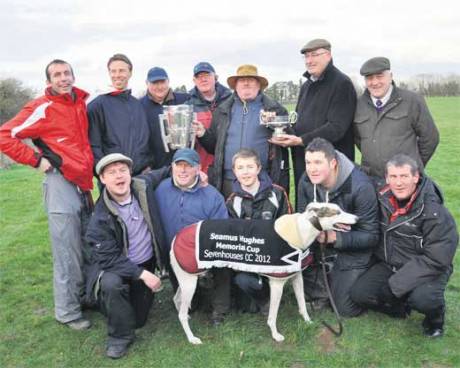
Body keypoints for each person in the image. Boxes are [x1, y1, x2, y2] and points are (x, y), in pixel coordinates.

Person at [0, 59, 94, 330]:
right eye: (57, 75)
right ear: (49, 81)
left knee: (86, 244)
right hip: (59, 183)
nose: (63, 78)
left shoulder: (79, 104)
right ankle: (67, 312)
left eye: (66, 73)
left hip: (82, 184)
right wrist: (36, 160)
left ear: (73, 76)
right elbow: (6, 135)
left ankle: (84, 298)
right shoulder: (42, 106)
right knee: (67, 250)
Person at [351, 154, 458, 337]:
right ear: (386, 178)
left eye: (404, 176)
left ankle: (435, 318)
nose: (398, 183)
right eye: (393, 177)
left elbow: (437, 258)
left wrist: (395, 286)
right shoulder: (380, 195)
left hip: (427, 267)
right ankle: (401, 307)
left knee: (423, 299)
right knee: (359, 294)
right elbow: (354, 175)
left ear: (416, 177)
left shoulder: (434, 212)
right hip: (390, 263)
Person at [85, 153, 168, 359]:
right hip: (116, 268)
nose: (118, 176)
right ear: (102, 179)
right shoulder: (100, 216)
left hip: (144, 263)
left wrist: (197, 174)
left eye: (122, 170)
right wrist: (143, 275)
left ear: (130, 173)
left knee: (138, 320)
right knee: (111, 285)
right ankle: (119, 337)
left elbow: (166, 170)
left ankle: (112, 304)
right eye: (111, 172)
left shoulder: (143, 186)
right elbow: (108, 259)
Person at [297, 138, 379, 317]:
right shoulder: (305, 180)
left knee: (343, 309)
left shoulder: (360, 186)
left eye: (318, 162)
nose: (312, 168)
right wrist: (316, 231)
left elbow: (371, 235)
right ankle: (328, 278)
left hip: (353, 249)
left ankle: (373, 277)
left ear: (333, 163)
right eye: (308, 162)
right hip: (320, 246)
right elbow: (302, 216)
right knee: (312, 296)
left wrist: (335, 238)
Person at [154, 148, 230, 325]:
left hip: (205, 253)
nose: (182, 170)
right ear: (172, 167)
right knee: (192, 304)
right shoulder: (160, 190)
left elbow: (221, 231)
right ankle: (192, 299)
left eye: (188, 166)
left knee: (222, 264)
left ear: (198, 169)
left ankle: (220, 309)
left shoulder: (212, 196)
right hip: (174, 256)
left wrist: (207, 253)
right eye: (178, 165)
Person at [270, 39, 356, 192]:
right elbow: (298, 122)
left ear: (328, 55)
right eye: (306, 56)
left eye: (314, 55)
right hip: (304, 164)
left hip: (331, 168)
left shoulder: (341, 83)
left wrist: (301, 140)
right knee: (307, 211)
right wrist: (282, 130)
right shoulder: (306, 86)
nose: (309, 60)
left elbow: (336, 127)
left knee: (329, 213)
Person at [194, 64, 290, 197]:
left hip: (262, 179)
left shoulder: (274, 109)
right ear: (235, 86)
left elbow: (289, 138)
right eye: (241, 80)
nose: (246, 83)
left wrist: (280, 133)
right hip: (228, 180)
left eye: (250, 80)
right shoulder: (222, 111)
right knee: (229, 216)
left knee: (261, 217)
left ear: (258, 85)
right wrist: (203, 134)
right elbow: (214, 148)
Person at [226, 148, 292, 313]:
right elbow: (230, 236)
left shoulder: (277, 193)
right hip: (248, 259)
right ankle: (263, 298)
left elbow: (288, 226)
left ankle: (271, 293)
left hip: (273, 256)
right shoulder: (232, 201)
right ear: (234, 171)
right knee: (244, 287)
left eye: (250, 167)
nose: (245, 172)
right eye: (240, 168)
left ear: (258, 168)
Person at [354, 57, 439, 180]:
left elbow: (430, 138)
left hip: (404, 181)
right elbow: (359, 139)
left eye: (379, 76)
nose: (375, 82)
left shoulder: (412, 101)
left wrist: (413, 167)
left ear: (391, 76)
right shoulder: (358, 105)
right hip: (371, 180)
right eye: (369, 78)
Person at [88, 53, 154, 176]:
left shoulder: (137, 105)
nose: (117, 75)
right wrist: (104, 173)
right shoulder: (97, 106)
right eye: (113, 71)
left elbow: (145, 139)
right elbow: (93, 145)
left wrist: (148, 164)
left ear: (130, 73)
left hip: (141, 176)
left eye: (122, 71)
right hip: (114, 178)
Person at [140, 67, 190, 169]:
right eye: (154, 83)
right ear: (147, 83)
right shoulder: (139, 106)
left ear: (168, 81)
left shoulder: (185, 99)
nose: (159, 87)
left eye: (162, 82)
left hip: (183, 165)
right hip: (154, 168)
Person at [188, 62, 232, 173]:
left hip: (228, 165)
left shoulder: (231, 101)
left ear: (215, 78)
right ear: (194, 81)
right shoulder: (188, 106)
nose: (203, 79)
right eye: (199, 77)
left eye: (207, 75)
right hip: (200, 166)